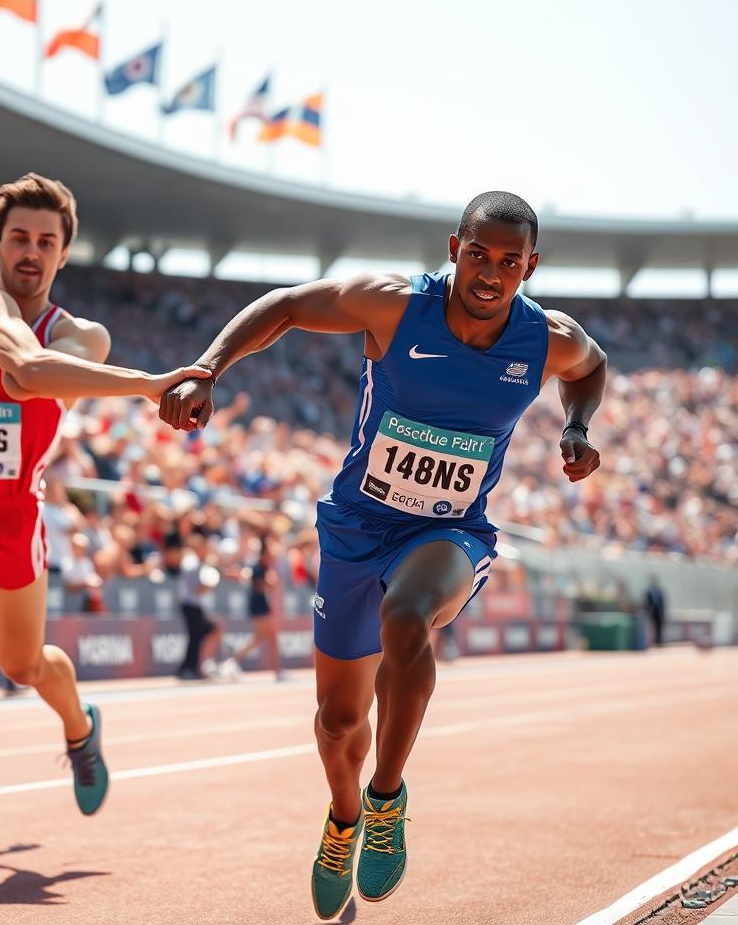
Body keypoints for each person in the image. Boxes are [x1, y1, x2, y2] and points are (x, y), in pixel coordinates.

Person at [159, 191, 606, 918]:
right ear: (454, 248)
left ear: (530, 267)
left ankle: (386, 799)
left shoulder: (547, 338)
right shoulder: (395, 306)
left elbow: (590, 368)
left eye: (509, 262)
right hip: (357, 528)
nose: (490, 274)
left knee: (407, 617)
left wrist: (577, 426)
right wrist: (208, 368)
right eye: (478, 255)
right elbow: (289, 305)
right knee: (338, 722)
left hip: (450, 531)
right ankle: (343, 820)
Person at [0, 171, 208, 816]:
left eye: (46, 242)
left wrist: (124, 380)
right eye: (19, 237)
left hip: (13, 518)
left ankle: (80, 727)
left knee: (22, 666)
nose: (31, 251)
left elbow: (29, 378)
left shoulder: (85, 338)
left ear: (63, 253)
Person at [166, 530, 222, 681]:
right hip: (190, 605)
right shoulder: (191, 563)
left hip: (194, 606)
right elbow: (197, 589)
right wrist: (210, 584)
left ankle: (192, 667)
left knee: (202, 634)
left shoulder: (196, 562)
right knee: (195, 637)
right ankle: (189, 669)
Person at [228, 533, 285, 680]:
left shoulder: (264, 568)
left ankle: (234, 661)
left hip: (261, 605)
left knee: (262, 638)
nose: (272, 557)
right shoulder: (258, 568)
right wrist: (268, 583)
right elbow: (259, 587)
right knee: (267, 638)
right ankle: (277, 670)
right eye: (270, 555)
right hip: (258, 606)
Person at [645, 577, 666, 646]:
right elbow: (647, 603)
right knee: (651, 627)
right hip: (652, 612)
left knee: (659, 627)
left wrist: (663, 612)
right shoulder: (649, 591)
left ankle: (658, 641)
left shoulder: (660, 591)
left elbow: (663, 603)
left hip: (658, 612)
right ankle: (651, 641)